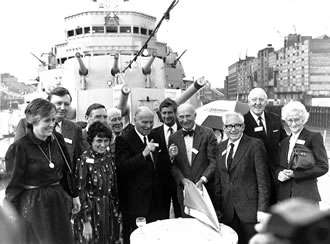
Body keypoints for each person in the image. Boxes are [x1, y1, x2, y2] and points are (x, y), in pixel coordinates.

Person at [5, 98, 80, 244]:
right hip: (34, 205)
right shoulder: (20, 147)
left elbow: (67, 169)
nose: (52, 124)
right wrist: (12, 213)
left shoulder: (57, 139)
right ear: (34, 121)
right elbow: (13, 185)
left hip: (58, 200)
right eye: (47, 120)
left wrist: (74, 195)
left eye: (53, 119)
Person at [215, 111, 271, 244]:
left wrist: (262, 210)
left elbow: (263, 181)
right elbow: (219, 181)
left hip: (250, 212)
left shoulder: (255, 145)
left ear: (243, 127)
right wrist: (217, 208)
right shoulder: (220, 147)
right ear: (224, 128)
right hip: (227, 212)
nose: (233, 129)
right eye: (229, 126)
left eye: (237, 125)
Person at [115, 106, 167, 244]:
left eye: (151, 122)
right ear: (134, 120)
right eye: (144, 122)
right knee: (135, 238)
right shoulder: (123, 139)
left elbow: (160, 165)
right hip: (136, 202)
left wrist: (171, 157)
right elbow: (122, 168)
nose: (148, 125)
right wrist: (143, 154)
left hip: (157, 201)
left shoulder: (156, 136)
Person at [73, 121, 120, 244]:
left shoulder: (109, 157)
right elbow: (80, 192)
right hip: (91, 212)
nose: (103, 144)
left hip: (108, 211)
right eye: (99, 141)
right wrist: (86, 221)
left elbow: (114, 187)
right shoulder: (83, 160)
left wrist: (116, 212)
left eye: (106, 140)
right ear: (91, 141)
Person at [275, 101, 328, 204]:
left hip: (306, 196)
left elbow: (323, 166)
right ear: (285, 121)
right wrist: (279, 173)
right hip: (285, 197)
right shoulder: (284, 142)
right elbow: (279, 166)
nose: (293, 123)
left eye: (297, 120)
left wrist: (295, 174)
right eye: (290, 120)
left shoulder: (314, 137)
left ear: (303, 120)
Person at [168, 103, 217, 215]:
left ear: (195, 115)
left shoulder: (208, 133)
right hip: (184, 192)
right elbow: (173, 165)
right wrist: (182, 180)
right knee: (187, 227)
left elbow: (213, 161)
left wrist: (203, 179)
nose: (185, 120)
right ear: (177, 117)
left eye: (188, 116)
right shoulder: (173, 137)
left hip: (204, 190)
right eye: (181, 116)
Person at [244, 88, 287, 204]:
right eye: (254, 99)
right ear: (248, 102)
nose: (257, 103)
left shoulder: (275, 119)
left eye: (261, 99)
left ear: (266, 102)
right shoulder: (242, 122)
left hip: (276, 175)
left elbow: (285, 143)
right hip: (253, 176)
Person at [150, 98, 181, 218]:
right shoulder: (153, 133)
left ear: (175, 113)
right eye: (164, 113)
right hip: (161, 182)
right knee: (161, 215)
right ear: (160, 114)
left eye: (170, 112)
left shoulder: (183, 131)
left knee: (181, 215)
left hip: (180, 181)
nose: (167, 116)